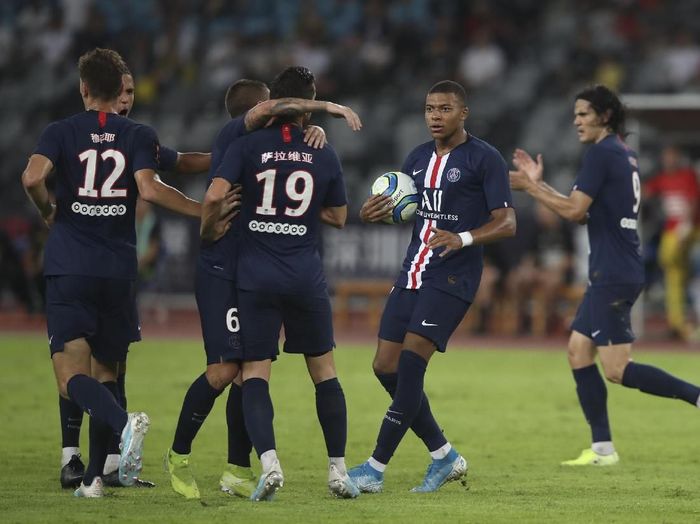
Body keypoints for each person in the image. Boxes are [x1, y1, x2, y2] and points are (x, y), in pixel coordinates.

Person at [22, 48, 214, 498]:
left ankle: (120, 428)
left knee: (72, 378)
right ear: (119, 92)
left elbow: (32, 178)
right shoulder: (136, 133)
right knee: (108, 371)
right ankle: (93, 479)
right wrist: (202, 209)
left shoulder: (61, 132)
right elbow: (155, 182)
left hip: (70, 266)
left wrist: (49, 209)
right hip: (117, 269)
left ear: (84, 89)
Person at [166, 74, 362, 500]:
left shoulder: (246, 149)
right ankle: (336, 470)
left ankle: (252, 466)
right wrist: (330, 112)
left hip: (253, 274)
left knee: (248, 372)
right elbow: (340, 216)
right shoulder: (308, 150)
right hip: (264, 273)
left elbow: (217, 193)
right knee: (239, 370)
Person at [509, 84, 700, 466]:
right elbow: (579, 206)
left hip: (613, 272)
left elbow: (575, 211)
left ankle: (696, 395)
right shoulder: (621, 154)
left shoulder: (600, 154)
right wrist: (540, 183)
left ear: (605, 116)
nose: (576, 121)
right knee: (578, 351)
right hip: (615, 268)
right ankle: (602, 449)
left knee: (616, 369)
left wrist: (531, 188)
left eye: (583, 114)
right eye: (575, 114)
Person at [348, 80, 516, 493]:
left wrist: (463, 238)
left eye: (444, 109)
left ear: (463, 113)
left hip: (453, 277)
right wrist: (376, 213)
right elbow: (408, 207)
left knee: (409, 368)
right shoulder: (417, 158)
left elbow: (508, 221)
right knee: (384, 366)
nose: (435, 116)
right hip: (413, 272)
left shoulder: (484, 158)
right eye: (429, 109)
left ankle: (374, 469)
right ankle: (444, 456)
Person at [644, 145, 700, 340]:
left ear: (678, 158)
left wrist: (686, 225)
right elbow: (646, 191)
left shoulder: (687, 175)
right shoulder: (662, 178)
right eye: (666, 157)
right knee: (669, 267)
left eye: (672, 157)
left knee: (680, 264)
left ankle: (688, 274)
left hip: (692, 227)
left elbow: (694, 201)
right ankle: (676, 323)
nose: (669, 161)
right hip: (672, 229)